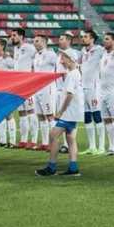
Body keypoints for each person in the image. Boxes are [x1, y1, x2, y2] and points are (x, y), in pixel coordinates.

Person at [36, 49, 83, 177]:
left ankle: (51, 167)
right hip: (74, 112)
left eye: (64, 57)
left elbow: (69, 94)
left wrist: (60, 112)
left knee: (53, 135)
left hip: (68, 112)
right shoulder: (74, 73)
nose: (61, 60)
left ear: (71, 59)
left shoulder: (73, 74)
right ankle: (73, 168)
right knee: (70, 139)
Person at [79, 29, 106, 155]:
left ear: (92, 39)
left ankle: (101, 147)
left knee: (97, 116)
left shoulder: (100, 50)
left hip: (94, 87)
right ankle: (92, 146)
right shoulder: (83, 51)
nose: (83, 39)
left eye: (85, 37)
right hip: (83, 87)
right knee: (87, 117)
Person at [10, 28, 38, 148]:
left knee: (31, 111)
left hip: (28, 83)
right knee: (21, 112)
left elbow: (37, 60)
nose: (12, 37)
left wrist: (32, 74)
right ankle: (23, 139)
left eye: (14, 35)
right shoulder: (16, 49)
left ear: (21, 36)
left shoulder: (29, 47)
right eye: (11, 35)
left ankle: (34, 140)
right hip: (18, 84)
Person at [55, 33, 79, 154]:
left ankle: (67, 144)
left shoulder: (72, 54)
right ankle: (66, 144)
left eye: (61, 38)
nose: (59, 40)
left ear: (69, 40)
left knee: (68, 118)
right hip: (59, 89)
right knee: (65, 118)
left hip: (67, 90)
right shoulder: (59, 54)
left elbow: (72, 70)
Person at [33, 35, 58, 151]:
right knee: (41, 116)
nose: (34, 43)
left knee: (50, 116)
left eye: (37, 41)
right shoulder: (36, 56)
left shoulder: (51, 54)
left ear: (43, 42)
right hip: (37, 88)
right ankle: (44, 143)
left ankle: (53, 143)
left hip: (47, 88)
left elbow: (59, 66)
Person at [0, 38, 17, 147]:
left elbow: (15, 70)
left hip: (7, 90)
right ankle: (1, 140)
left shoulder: (8, 59)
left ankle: (12, 141)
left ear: (2, 46)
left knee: (8, 114)